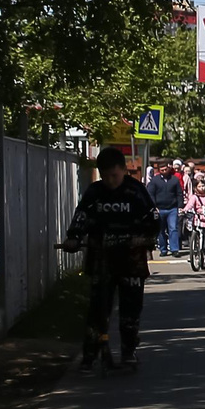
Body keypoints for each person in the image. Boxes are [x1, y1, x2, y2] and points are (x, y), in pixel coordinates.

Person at [60, 144, 158, 372]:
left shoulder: (136, 192)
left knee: (130, 310)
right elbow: (81, 217)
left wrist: (143, 238)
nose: (111, 181)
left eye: (114, 175)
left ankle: (128, 350)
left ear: (124, 170)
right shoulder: (95, 193)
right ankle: (90, 355)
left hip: (131, 262)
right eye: (105, 176)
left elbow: (153, 221)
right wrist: (73, 238)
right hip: (101, 260)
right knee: (97, 309)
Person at [148, 160, 184, 256]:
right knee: (160, 229)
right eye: (162, 170)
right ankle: (163, 249)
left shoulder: (174, 180)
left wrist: (180, 206)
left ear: (168, 169)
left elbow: (179, 194)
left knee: (173, 229)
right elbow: (151, 194)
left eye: (165, 169)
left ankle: (174, 249)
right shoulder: (155, 181)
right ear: (159, 171)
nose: (164, 171)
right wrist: (154, 207)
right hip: (160, 209)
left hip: (172, 208)